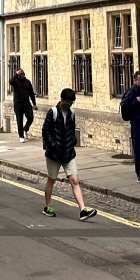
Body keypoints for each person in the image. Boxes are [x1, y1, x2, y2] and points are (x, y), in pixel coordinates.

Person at [40, 88, 96, 221]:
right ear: (62, 100)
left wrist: (72, 141)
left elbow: (71, 128)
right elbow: (45, 131)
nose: (70, 104)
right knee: (51, 179)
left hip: (68, 153)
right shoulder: (52, 112)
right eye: (68, 102)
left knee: (75, 180)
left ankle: (83, 209)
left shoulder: (71, 113)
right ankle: (47, 206)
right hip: (54, 154)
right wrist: (53, 145)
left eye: (72, 102)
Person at [8, 67, 37, 143]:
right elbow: (10, 82)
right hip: (18, 103)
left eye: (23, 73)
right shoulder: (15, 81)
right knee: (19, 120)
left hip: (26, 103)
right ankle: (21, 136)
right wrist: (16, 74)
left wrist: (34, 103)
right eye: (21, 74)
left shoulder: (27, 82)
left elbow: (31, 93)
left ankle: (25, 129)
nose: (22, 75)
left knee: (30, 117)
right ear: (18, 75)